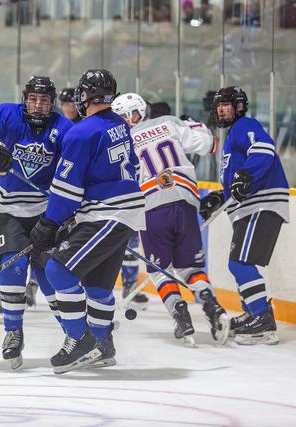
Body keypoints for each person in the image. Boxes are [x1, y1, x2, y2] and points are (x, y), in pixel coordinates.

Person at [30, 69, 145, 374]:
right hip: (122, 211)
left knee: (57, 269)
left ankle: (81, 339)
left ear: (84, 95)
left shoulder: (81, 132)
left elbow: (67, 189)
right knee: (97, 285)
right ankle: (104, 346)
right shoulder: (119, 124)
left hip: (107, 213)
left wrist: (49, 222)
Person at [0, 76, 73, 369]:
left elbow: (75, 169)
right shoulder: (6, 114)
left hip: (46, 215)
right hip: (8, 213)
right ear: (25, 99)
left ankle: (76, 334)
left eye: (44, 100)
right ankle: (13, 333)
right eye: (33, 99)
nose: (37, 105)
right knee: (14, 267)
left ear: (52, 103)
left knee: (50, 274)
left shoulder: (63, 129)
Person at [112, 93, 230, 346]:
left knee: (160, 271)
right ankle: (211, 303)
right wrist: (193, 123)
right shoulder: (168, 122)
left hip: (152, 207)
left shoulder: (123, 142)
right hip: (185, 201)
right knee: (190, 269)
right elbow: (208, 144)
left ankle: (180, 313)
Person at [199, 86, 289, 345]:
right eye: (219, 105)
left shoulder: (245, 125)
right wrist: (220, 196)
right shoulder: (232, 136)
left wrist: (247, 175)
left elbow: (264, 148)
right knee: (239, 263)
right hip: (250, 206)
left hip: (261, 203)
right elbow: (237, 180)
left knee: (239, 264)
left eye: (226, 104)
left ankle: (261, 319)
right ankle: (253, 313)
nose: (221, 109)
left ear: (239, 106)